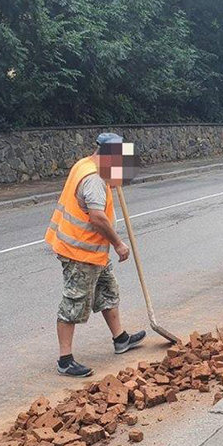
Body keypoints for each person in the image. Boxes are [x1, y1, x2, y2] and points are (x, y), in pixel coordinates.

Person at [44, 133, 146, 377]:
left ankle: (120, 339)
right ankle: (65, 360)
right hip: (80, 252)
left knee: (109, 292)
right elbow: (97, 217)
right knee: (73, 304)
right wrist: (119, 244)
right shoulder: (94, 179)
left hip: (93, 253)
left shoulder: (86, 164)